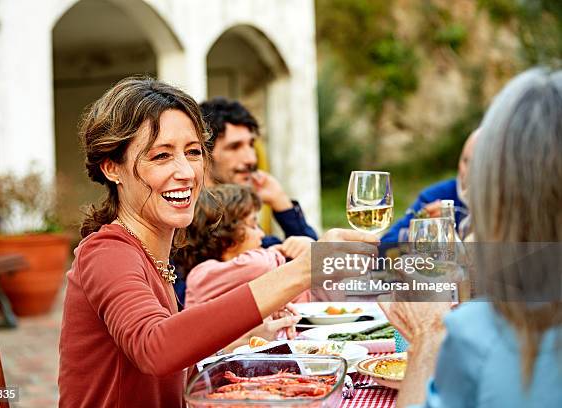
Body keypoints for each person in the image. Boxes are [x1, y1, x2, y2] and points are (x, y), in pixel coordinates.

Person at [58, 76, 378, 408]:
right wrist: (302, 270)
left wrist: (242, 342)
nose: (186, 171)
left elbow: (170, 370)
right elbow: (156, 349)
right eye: (160, 156)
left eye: (193, 152)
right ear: (112, 168)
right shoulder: (107, 252)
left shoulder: (151, 256)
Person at [380, 68, 562, 407]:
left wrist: (427, 336)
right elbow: (390, 242)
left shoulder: (481, 335)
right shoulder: (437, 194)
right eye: (465, 162)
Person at [199, 97, 318, 247]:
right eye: (234, 147)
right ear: (203, 154)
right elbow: (315, 261)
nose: (250, 159)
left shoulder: (239, 214)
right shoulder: (196, 222)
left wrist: (281, 202)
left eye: (251, 145)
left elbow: (315, 258)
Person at [177, 184, 311, 309]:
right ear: (225, 238)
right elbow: (260, 264)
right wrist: (279, 252)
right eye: (253, 225)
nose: (261, 234)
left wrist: (308, 248)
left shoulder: (255, 276)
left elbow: (303, 299)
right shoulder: (202, 276)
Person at [381, 129, 479, 243]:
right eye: (466, 162)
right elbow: (386, 242)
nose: (471, 172)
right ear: (459, 161)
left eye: (481, 165)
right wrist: (422, 230)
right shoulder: (437, 196)